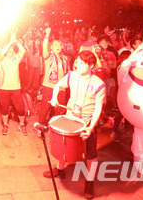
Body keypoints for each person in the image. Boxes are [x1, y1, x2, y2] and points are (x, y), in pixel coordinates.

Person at [46, 50, 106, 199]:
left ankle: (89, 182)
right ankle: (60, 170)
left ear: (91, 65)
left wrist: (90, 128)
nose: (77, 65)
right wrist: (54, 97)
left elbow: (98, 107)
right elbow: (57, 85)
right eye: (77, 62)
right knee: (63, 144)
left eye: (81, 63)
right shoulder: (72, 76)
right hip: (71, 117)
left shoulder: (99, 84)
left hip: (86, 122)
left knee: (90, 153)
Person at [38, 28, 70, 128]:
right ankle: (41, 127)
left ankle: (55, 127)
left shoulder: (65, 58)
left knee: (59, 109)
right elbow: (44, 47)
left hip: (62, 88)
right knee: (45, 108)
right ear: (51, 47)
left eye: (60, 45)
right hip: (49, 87)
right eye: (55, 45)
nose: (58, 47)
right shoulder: (48, 57)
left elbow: (68, 72)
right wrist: (47, 35)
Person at [0, 32, 27, 135]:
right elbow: (2, 53)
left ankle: (22, 124)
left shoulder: (16, 58)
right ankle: (5, 125)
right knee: (4, 108)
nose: (10, 51)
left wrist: (16, 42)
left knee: (20, 108)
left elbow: (23, 50)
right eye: (8, 50)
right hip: (4, 88)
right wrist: (10, 42)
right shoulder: (1, 59)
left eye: (11, 49)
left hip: (16, 87)